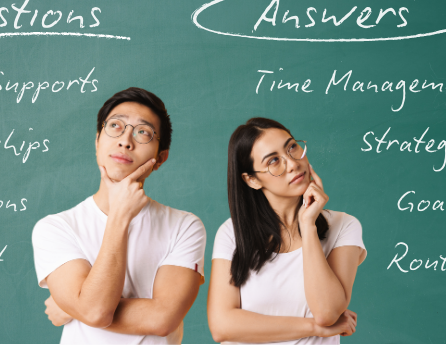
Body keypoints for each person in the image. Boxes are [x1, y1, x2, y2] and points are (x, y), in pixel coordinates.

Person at [32, 87, 206, 344]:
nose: (126, 140)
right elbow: (94, 311)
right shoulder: (56, 227)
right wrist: (120, 216)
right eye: (115, 126)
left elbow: (162, 319)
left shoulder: (184, 226)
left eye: (143, 132)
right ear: (97, 141)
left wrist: (73, 306)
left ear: (160, 158)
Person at [207, 117, 367, 344]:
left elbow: (326, 312)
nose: (292, 163)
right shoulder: (232, 233)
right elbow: (222, 326)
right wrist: (313, 328)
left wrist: (308, 226)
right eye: (273, 161)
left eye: (292, 147)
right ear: (252, 180)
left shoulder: (344, 226)